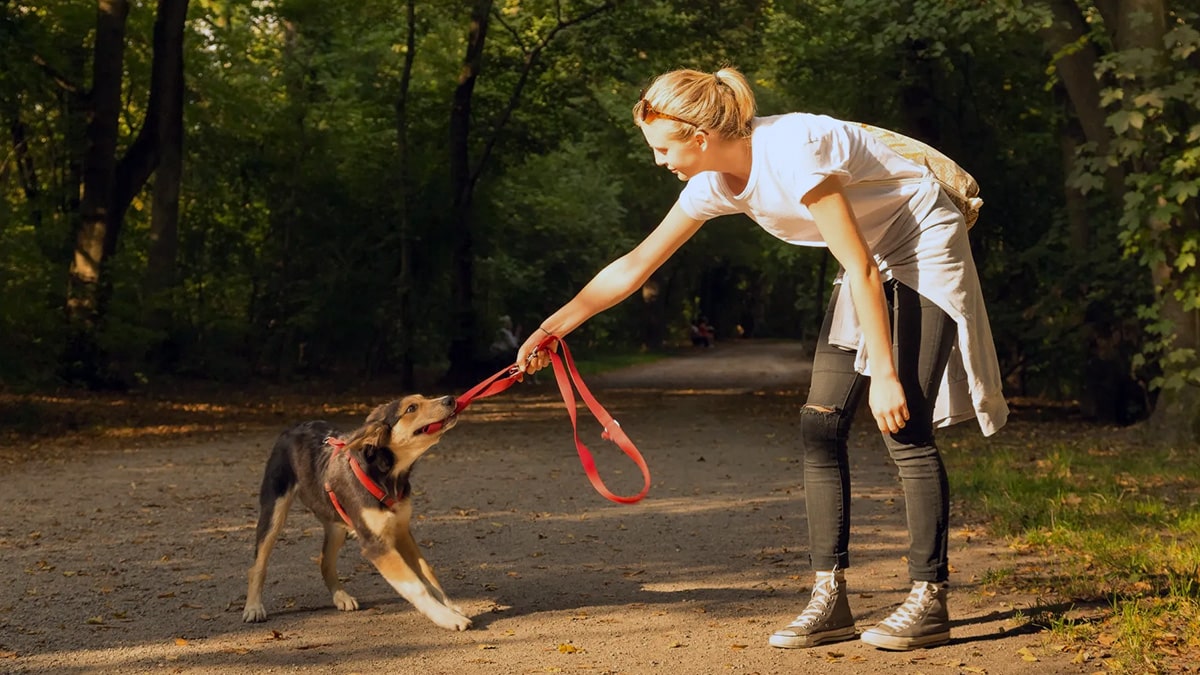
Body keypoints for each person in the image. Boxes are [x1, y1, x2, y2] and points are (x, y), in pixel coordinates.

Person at [516, 67, 1008, 652]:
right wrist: (553, 328)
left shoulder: (794, 151)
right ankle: (830, 599)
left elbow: (860, 270)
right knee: (820, 424)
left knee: (902, 423)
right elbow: (636, 264)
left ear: (700, 136)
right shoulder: (713, 185)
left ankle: (929, 599)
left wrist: (884, 373)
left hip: (921, 238)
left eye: (663, 148)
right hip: (870, 259)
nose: (658, 161)